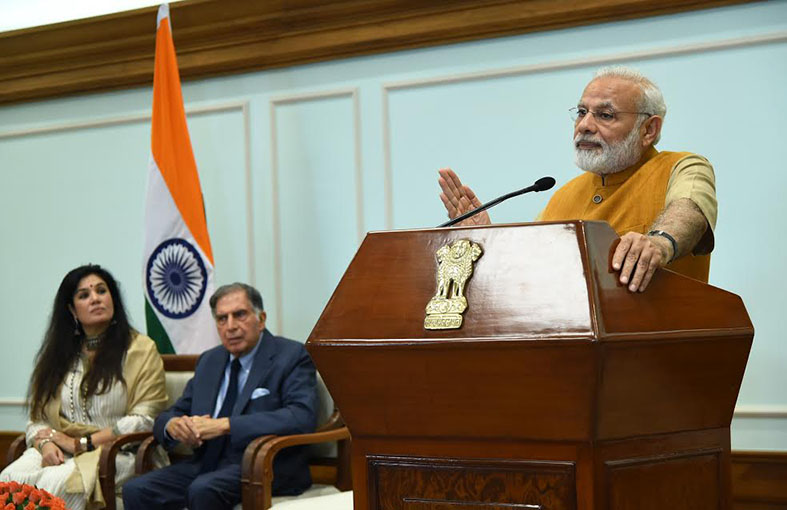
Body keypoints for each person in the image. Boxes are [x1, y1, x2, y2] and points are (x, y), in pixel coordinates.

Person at [439, 66, 716, 292]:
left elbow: (689, 212)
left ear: (649, 129)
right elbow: (527, 275)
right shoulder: (563, 196)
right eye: (582, 112)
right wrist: (487, 241)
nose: (585, 125)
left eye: (605, 115)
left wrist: (659, 242)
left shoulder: (681, 166)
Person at [123, 283, 318, 510]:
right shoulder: (209, 361)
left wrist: (226, 425)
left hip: (262, 467)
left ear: (261, 319)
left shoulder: (291, 356)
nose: (231, 326)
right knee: (136, 489)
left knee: (203, 489)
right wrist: (173, 425)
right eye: (222, 319)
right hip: (207, 462)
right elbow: (174, 412)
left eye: (240, 315)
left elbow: (301, 416)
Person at [0, 264, 168, 510]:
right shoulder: (58, 356)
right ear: (71, 310)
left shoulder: (140, 350)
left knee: (58, 483)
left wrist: (82, 444)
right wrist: (45, 444)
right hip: (60, 448)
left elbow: (144, 419)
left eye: (102, 291)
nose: (95, 299)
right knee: (9, 480)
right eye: (84, 295)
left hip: (118, 452)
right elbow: (38, 420)